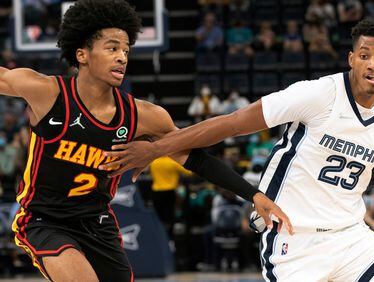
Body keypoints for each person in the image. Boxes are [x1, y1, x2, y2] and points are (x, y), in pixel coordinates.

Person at [102, 19, 374, 281]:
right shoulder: (317, 95)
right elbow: (233, 123)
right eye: (365, 55)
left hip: (352, 237)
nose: (373, 64)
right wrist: (157, 149)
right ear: (351, 58)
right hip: (292, 237)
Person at [0, 1, 291, 281]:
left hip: (96, 221)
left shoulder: (143, 116)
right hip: (44, 219)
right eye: (112, 48)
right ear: (82, 55)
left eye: (126, 50)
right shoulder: (47, 92)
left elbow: (197, 159)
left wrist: (254, 195)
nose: (122, 57)